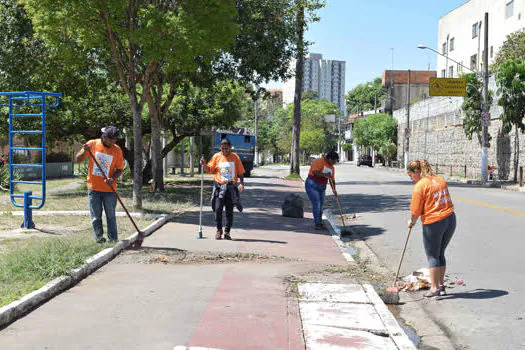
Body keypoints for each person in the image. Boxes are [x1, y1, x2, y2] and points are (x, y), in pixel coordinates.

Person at [407, 160, 456, 298]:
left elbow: (415, 211)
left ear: (417, 172)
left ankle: (434, 288)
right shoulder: (440, 180)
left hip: (434, 223)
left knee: (433, 256)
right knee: (440, 253)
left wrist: (411, 222)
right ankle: (441, 285)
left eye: (411, 175)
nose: (411, 179)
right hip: (450, 219)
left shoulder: (420, 186)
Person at [75, 126, 125, 243]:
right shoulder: (92, 144)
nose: (112, 142)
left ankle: (113, 239)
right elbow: (78, 159)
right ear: (104, 136)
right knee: (96, 217)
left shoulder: (116, 150)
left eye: (114, 140)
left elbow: (120, 169)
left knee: (111, 216)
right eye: (110, 140)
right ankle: (99, 238)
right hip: (94, 188)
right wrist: (85, 152)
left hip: (109, 189)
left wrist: (112, 179)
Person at [200, 138, 245, 240]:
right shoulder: (216, 157)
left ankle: (227, 232)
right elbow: (209, 170)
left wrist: (241, 183)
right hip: (219, 187)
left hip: (230, 188)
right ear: (220, 147)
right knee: (218, 209)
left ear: (230, 147)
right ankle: (219, 230)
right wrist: (204, 164)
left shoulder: (235, 157)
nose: (224, 151)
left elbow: (241, 172)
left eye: (226, 148)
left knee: (229, 211)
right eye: (223, 148)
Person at [305, 151, 339, 230]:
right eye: (333, 161)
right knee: (316, 204)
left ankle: (319, 221)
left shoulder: (332, 168)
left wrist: (334, 190)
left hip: (322, 187)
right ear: (329, 158)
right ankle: (317, 223)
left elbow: (332, 180)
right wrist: (325, 175)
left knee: (321, 205)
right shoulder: (319, 161)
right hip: (312, 184)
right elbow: (315, 172)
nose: (334, 163)